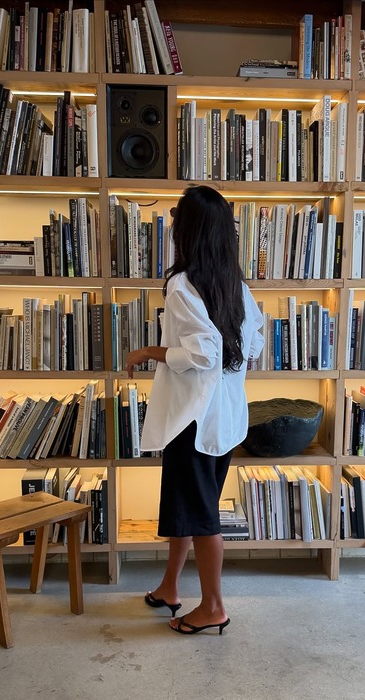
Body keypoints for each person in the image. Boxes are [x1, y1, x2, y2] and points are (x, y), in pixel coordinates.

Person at [126, 184, 264, 635]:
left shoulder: (182, 286)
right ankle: (170, 587)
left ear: (187, 232)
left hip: (192, 419)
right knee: (188, 508)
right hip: (224, 418)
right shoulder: (237, 286)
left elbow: (204, 352)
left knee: (202, 518)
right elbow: (253, 344)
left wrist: (151, 351)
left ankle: (213, 608)